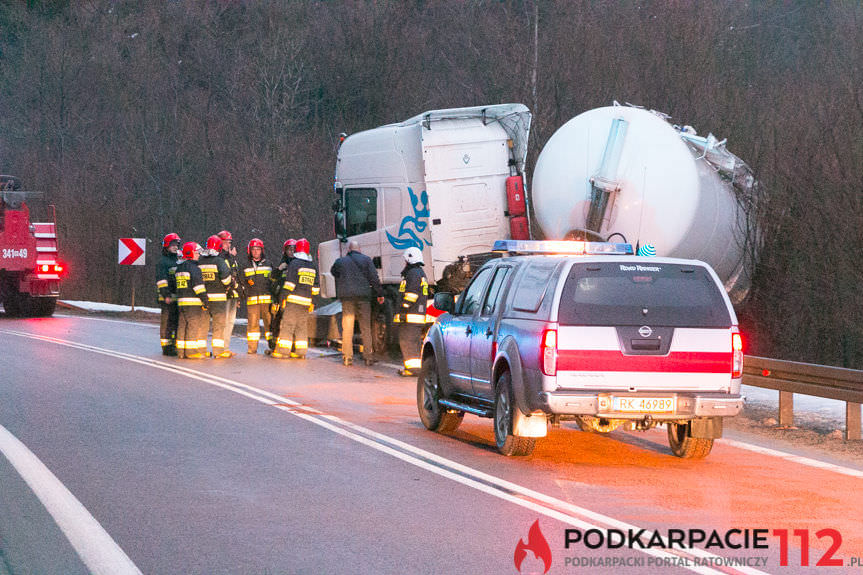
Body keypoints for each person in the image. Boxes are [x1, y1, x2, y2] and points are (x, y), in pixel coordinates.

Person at [331, 240, 384, 366]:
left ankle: (347, 357)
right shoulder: (366, 260)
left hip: (347, 298)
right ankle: (368, 357)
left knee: (347, 327)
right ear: (359, 249)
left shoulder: (341, 261)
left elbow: (334, 272)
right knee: (365, 327)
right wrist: (380, 294)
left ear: (349, 250)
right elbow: (374, 278)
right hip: (364, 298)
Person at [273, 238, 319, 359]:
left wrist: (283, 297)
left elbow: (289, 284)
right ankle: (301, 352)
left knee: (288, 325)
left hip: (293, 301)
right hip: (306, 302)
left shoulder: (295, 264)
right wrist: (311, 301)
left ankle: (283, 351)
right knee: (302, 326)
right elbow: (316, 287)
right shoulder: (313, 266)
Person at [395, 246, 428, 376]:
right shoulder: (419, 273)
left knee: (407, 342)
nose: (405, 263)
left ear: (410, 258)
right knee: (413, 342)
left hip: (410, 315)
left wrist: (403, 308)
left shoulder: (413, 273)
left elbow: (411, 295)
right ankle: (414, 368)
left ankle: (412, 370)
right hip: (416, 315)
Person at [199, 235, 234, 358]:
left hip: (203, 299)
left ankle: (201, 350)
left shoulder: (200, 261)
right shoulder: (219, 261)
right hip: (218, 299)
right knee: (218, 325)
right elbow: (226, 279)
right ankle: (218, 351)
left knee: (203, 325)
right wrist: (231, 283)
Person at [175, 242, 209, 359]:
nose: (199, 255)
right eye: (197, 253)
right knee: (193, 326)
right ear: (190, 253)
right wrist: (205, 300)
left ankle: (180, 351)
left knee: (182, 326)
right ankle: (191, 352)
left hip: (181, 302)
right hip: (193, 303)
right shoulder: (194, 269)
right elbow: (198, 287)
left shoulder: (179, 268)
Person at [242, 238, 273, 354]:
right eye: (253, 249)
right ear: (249, 251)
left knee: (269, 324)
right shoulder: (245, 265)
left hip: (267, 300)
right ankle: (252, 348)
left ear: (262, 250)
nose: (255, 252)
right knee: (252, 326)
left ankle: (272, 346)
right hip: (252, 299)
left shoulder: (269, 264)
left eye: (258, 249)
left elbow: (273, 282)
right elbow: (242, 281)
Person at [268, 239, 297, 353]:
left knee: (291, 323)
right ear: (285, 251)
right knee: (276, 321)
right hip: (280, 297)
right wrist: (279, 269)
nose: (291, 252)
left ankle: (292, 348)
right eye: (289, 249)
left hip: (293, 298)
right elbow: (273, 280)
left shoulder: (298, 263)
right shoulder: (282, 263)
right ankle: (275, 346)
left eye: (293, 249)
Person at [156, 233, 181, 356]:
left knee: (175, 322)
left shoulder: (177, 261)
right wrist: (166, 295)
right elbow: (161, 280)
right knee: (167, 323)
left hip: (176, 298)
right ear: (166, 246)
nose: (175, 247)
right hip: (166, 297)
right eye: (173, 245)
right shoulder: (163, 262)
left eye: (176, 245)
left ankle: (174, 345)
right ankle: (166, 347)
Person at [217, 230, 241, 347]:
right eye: (225, 242)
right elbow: (226, 273)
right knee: (224, 322)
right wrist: (231, 257)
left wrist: (239, 295)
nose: (228, 245)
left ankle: (225, 347)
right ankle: (221, 348)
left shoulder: (230, 257)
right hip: (224, 294)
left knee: (230, 322)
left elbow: (236, 275)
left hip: (233, 294)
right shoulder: (219, 257)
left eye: (229, 242)